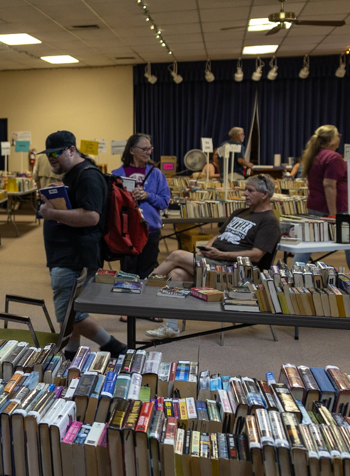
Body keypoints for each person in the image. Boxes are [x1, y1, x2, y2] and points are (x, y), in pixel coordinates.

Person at [145, 175, 282, 339]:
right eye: (245, 189)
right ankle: (171, 327)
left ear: (264, 194)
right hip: (215, 261)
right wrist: (209, 247)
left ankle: (142, 286)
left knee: (176, 255)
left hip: (235, 271)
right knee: (176, 275)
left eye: (250, 190)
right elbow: (219, 234)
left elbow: (256, 255)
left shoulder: (269, 221)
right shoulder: (240, 212)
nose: (245, 193)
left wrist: (222, 254)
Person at [38, 130, 127, 358]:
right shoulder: (72, 174)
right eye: (48, 154)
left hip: (75, 257)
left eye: (56, 153)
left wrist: (52, 214)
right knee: (71, 310)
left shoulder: (87, 176)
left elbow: (91, 216)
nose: (51, 158)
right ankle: (70, 353)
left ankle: (114, 347)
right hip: (67, 255)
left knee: (71, 315)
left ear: (71, 150)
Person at [292, 124, 350, 272]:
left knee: (309, 241)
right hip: (336, 207)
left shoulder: (315, 154)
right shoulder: (333, 157)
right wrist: (333, 213)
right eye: (338, 135)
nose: (340, 138)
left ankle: (294, 271)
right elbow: (328, 184)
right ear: (332, 139)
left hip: (315, 203)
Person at [111, 133, 170, 279]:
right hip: (127, 231)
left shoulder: (157, 174)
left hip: (150, 231)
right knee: (127, 273)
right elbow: (112, 204)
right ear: (131, 150)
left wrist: (147, 195)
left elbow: (164, 202)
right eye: (144, 149)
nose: (148, 152)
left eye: (150, 149)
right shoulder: (116, 175)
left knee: (147, 272)